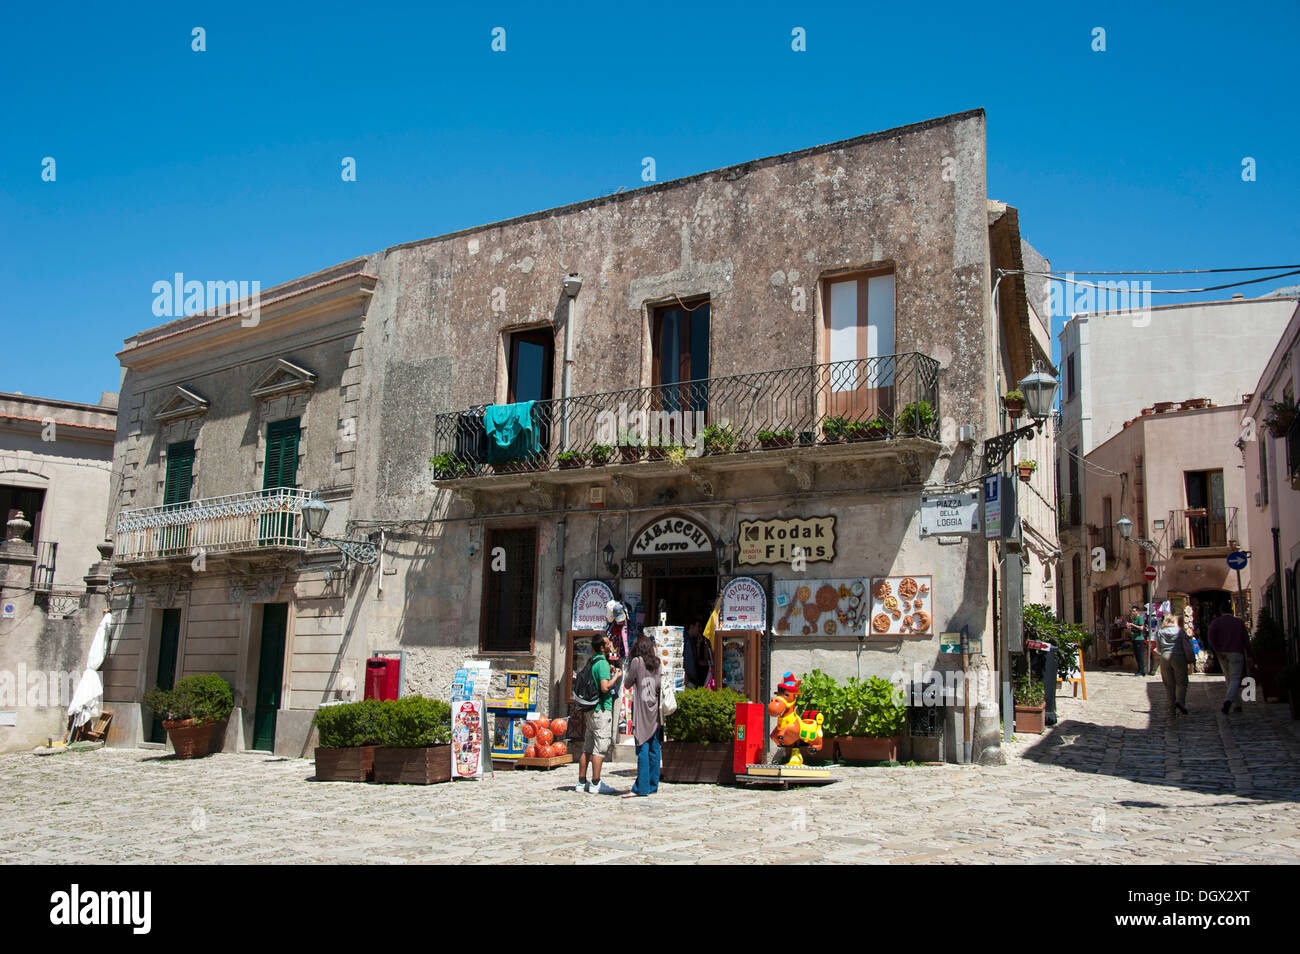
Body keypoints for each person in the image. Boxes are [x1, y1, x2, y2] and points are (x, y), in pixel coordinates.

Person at [576, 634, 622, 794]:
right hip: (601, 709)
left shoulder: (593, 661)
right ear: (602, 647)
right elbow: (604, 687)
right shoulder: (602, 663)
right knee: (600, 747)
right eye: (608, 644)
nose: (611, 646)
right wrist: (615, 676)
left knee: (587, 747)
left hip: (591, 711)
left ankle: (581, 782)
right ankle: (596, 783)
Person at [621, 635, 663, 797]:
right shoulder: (658, 663)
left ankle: (641, 788)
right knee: (654, 748)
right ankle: (653, 785)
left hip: (642, 710)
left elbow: (627, 683)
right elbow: (659, 685)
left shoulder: (637, 662)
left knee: (643, 748)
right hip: (655, 710)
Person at [1208, 602, 1250, 714]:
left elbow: (1211, 638)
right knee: (1235, 679)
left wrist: (1217, 650)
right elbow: (1246, 639)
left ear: (1221, 611)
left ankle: (1237, 705)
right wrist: (1250, 654)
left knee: (1229, 679)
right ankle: (1229, 700)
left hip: (1222, 654)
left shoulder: (1215, 623)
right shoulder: (1239, 622)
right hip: (1236, 652)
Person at [1155, 612, 1192, 716]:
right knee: (1181, 682)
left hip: (1165, 657)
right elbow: (1186, 644)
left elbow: (1158, 648)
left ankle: (1171, 708)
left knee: (1169, 684)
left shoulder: (1160, 632)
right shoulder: (1180, 631)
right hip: (1179, 656)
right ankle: (1180, 701)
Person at [1126, 605, 1148, 676]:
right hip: (1134, 638)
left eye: (1134, 611)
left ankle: (1142, 671)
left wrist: (1133, 624)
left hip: (1139, 639)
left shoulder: (1140, 618)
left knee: (1140, 655)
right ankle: (1139, 669)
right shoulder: (1134, 618)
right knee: (1136, 655)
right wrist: (1129, 627)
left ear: (1137, 611)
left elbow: (1141, 628)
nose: (1132, 612)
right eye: (1132, 611)